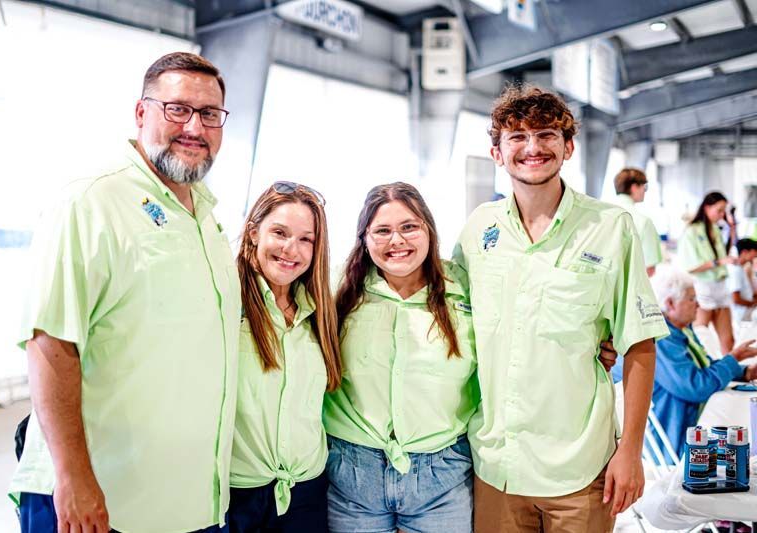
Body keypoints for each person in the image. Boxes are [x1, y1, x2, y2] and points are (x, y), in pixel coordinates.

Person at [9, 52, 241, 533]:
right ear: (141, 113)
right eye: (177, 109)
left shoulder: (206, 215)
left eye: (210, 114)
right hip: (98, 503)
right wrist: (74, 477)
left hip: (180, 504)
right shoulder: (91, 201)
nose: (194, 127)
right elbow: (51, 342)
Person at [453, 84, 669, 533]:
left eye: (547, 134)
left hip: (579, 468)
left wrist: (630, 451)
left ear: (568, 147)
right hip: (496, 465)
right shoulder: (478, 230)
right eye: (517, 137)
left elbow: (640, 345)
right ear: (497, 153)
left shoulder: (611, 228)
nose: (532, 147)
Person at [323, 182, 479, 533]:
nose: (397, 241)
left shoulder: (464, 288)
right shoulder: (337, 291)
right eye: (382, 231)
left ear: (429, 229)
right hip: (354, 473)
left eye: (409, 227)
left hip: (443, 475)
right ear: (364, 238)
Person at [227, 182, 340, 532]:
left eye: (306, 239)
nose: (292, 249)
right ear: (253, 233)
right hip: (238, 496)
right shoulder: (228, 304)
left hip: (306, 495)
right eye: (280, 232)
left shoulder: (319, 314)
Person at [646, 266, 757, 459]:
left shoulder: (681, 330)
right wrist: (733, 359)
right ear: (670, 303)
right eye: (691, 299)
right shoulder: (662, 340)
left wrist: (745, 371)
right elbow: (696, 386)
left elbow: (705, 367)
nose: (698, 305)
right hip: (676, 440)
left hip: (690, 425)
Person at [678, 191, 737, 354]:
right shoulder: (691, 232)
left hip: (721, 286)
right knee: (701, 336)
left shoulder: (716, 229)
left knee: (728, 340)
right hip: (703, 287)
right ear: (706, 207)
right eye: (719, 210)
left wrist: (732, 227)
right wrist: (718, 262)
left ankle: (732, 372)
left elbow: (722, 254)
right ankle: (704, 371)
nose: (721, 215)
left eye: (723, 211)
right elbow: (690, 266)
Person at [611, 168, 663, 277]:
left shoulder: (600, 214)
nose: (645, 191)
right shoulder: (643, 222)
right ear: (634, 187)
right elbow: (649, 269)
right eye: (645, 187)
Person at [727, 238, 757, 323]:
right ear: (744, 252)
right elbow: (736, 299)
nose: (755, 255)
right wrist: (753, 303)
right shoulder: (735, 270)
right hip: (741, 316)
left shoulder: (740, 269)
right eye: (754, 252)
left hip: (745, 314)